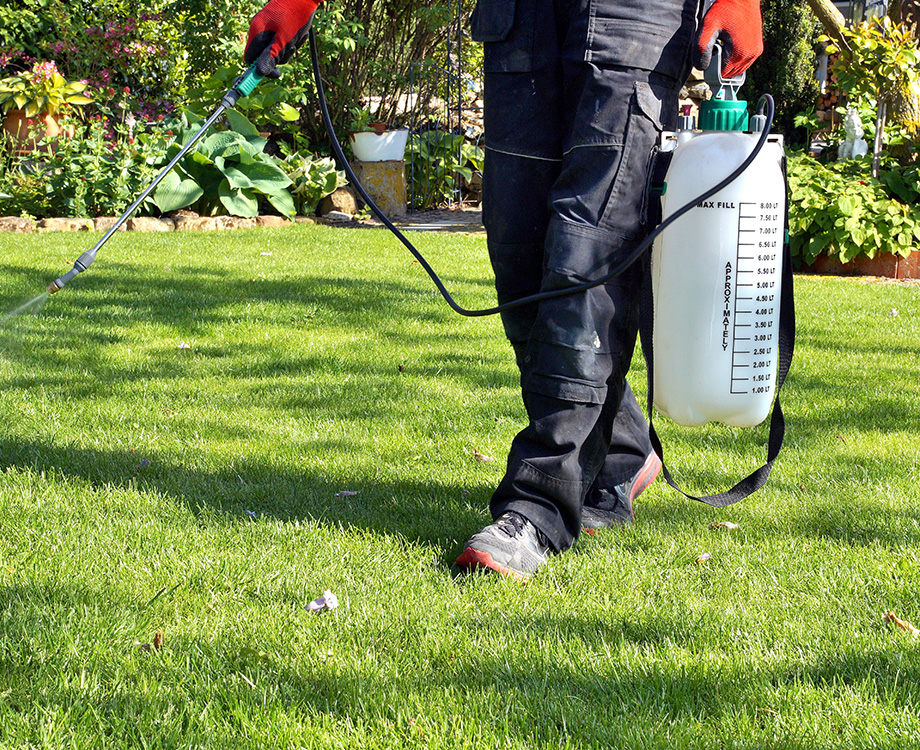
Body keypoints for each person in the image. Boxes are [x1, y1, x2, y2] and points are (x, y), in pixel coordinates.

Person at [244, 0, 764, 581]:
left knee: (586, 246)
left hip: (633, 17)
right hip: (521, 15)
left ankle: (538, 503)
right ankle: (620, 450)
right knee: (518, 245)